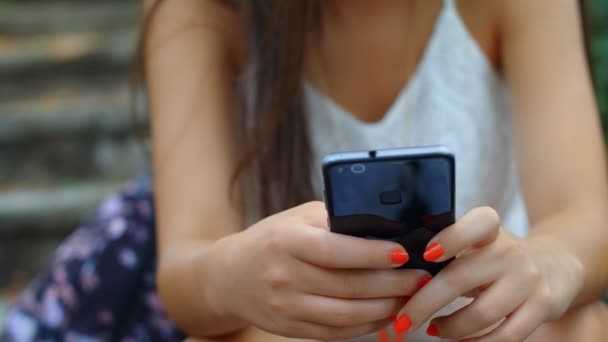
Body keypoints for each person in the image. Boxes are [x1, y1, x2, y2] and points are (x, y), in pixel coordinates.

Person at [4, 0, 608, 341]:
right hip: (307, 332)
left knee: (577, 323)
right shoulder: (200, 15)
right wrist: (234, 273)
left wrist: (547, 264)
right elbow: (186, 277)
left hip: (491, 324)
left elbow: (586, 214)